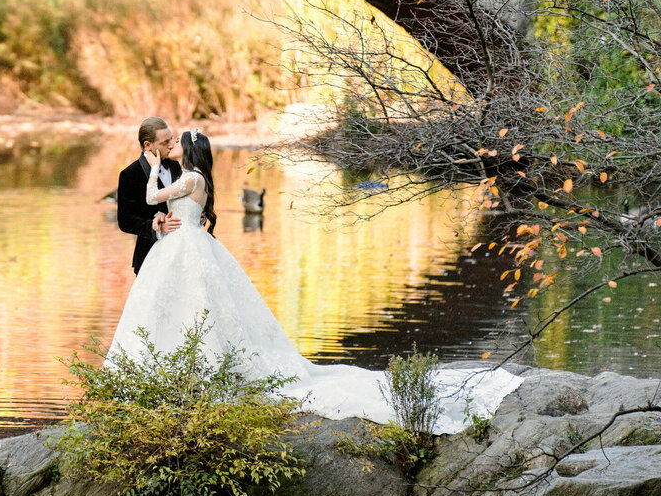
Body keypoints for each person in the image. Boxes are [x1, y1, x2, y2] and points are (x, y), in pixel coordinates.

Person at [107, 128, 524, 434]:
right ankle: (168, 377)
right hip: (170, 249)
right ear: (150, 145)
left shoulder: (185, 174)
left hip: (189, 247)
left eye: (174, 142)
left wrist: (162, 185)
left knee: (201, 308)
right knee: (175, 310)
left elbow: (162, 197)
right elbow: (135, 214)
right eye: (165, 142)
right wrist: (155, 222)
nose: (169, 147)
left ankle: (200, 377)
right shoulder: (160, 174)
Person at [116, 117, 183, 276]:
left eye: (171, 139)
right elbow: (125, 222)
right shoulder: (129, 174)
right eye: (165, 142)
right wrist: (157, 228)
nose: (172, 145)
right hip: (149, 257)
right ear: (147, 145)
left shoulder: (175, 166)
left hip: (181, 253)